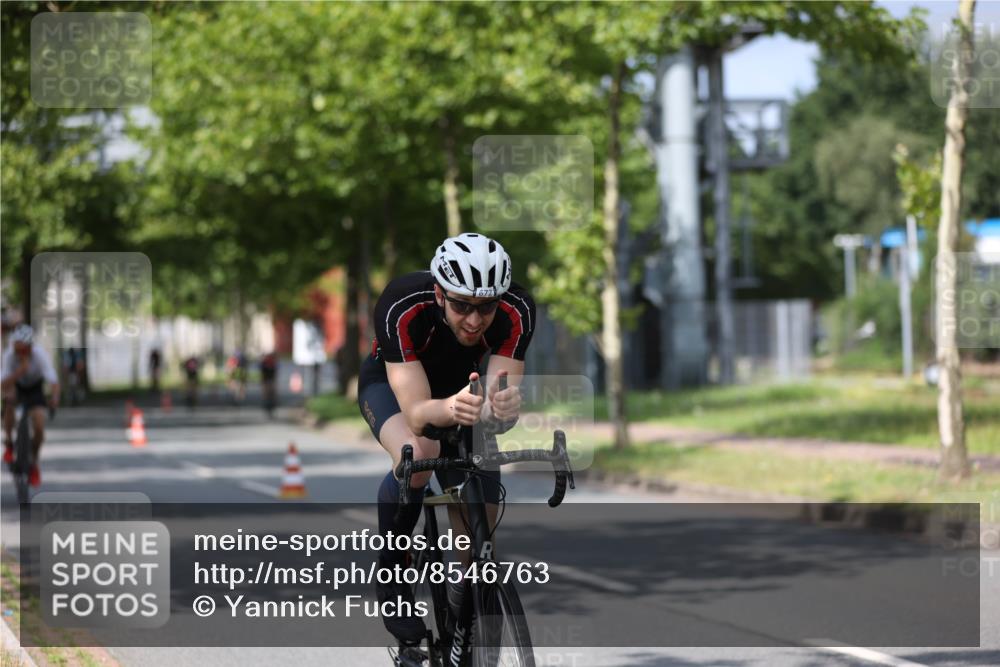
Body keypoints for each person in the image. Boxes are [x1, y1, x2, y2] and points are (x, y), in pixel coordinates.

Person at [358, 233, 535, 644]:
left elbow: (498, 397)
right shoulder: (403, 303)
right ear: (439, 294)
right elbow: (419, 414)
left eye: (486, 307)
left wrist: (502, 409)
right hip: (395, 388)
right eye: (461, 306)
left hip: (464, 392)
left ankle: (462, 613)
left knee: (481, 519)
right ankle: (393, 578)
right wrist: (452, 409)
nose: (474, 320)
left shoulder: (517, 310)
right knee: (417, 453)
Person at [2, 324, 60, 486]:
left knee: (40, 425)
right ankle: (8, 443)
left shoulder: (39, 355)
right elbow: (2, 384)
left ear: (30, 347)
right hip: (16, 386)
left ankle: (33, 462)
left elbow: (53, 381)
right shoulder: (9, 356)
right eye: (16, 350)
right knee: (9, 401)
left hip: (35, 389)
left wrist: (55, 398)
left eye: (23, 350)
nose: (19, 353)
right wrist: (20, 371)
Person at [260, 351, 278, 417]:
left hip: (268, 380)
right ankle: (268, 406)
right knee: (270, 394)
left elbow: (274, 372)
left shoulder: (268, 362)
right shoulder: (267, 362)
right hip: (268, 380)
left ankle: (270, 406)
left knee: (269, 395)